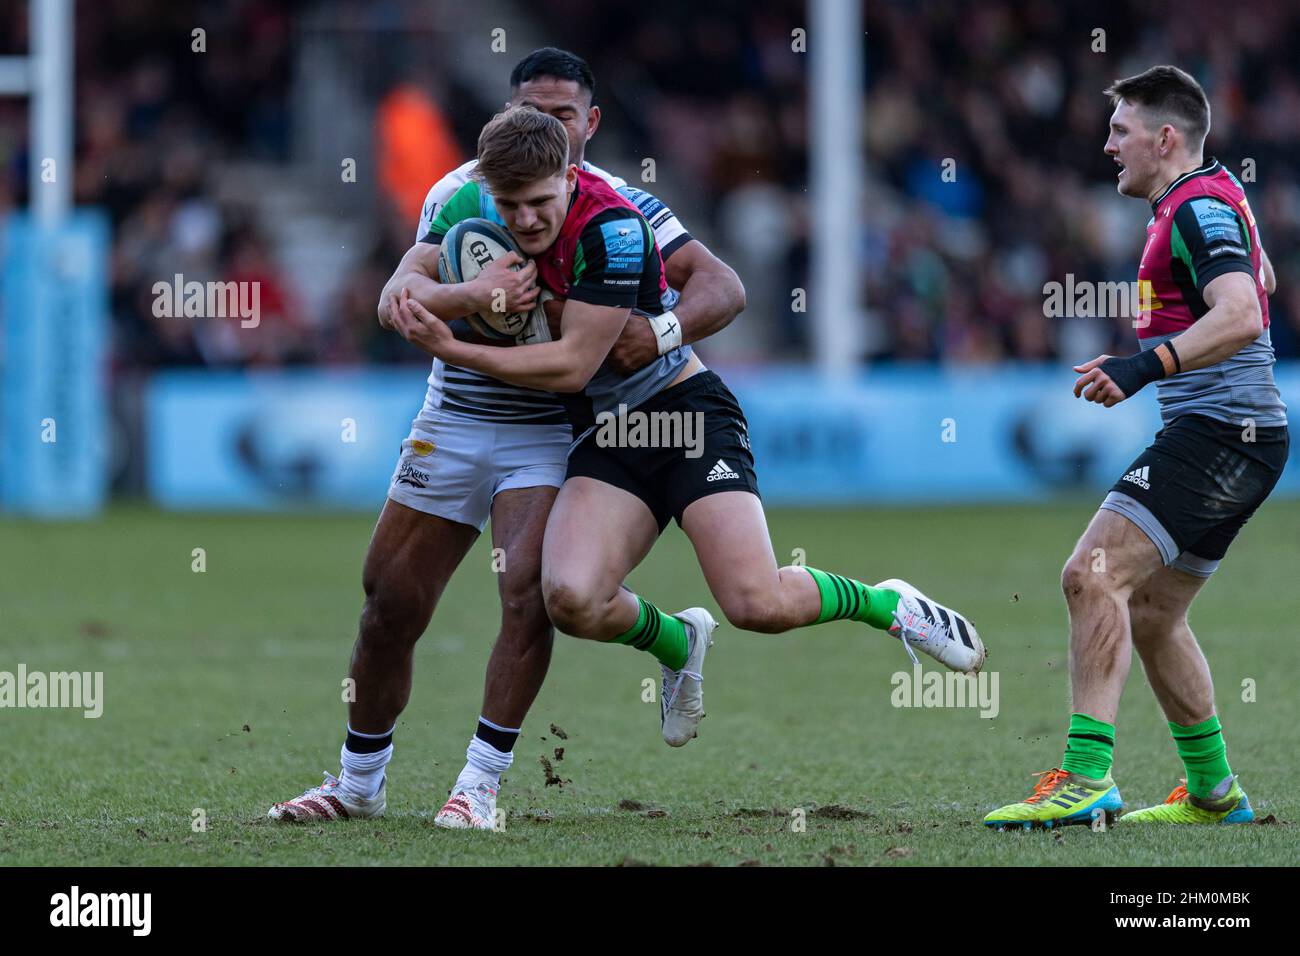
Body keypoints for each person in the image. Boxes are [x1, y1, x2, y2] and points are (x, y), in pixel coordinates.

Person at [389, 106, 987, 814]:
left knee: (755, 603)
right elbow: (401, 290)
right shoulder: (469, 205)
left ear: (570, 176)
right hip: (606, 439)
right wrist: (466, 295)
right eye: (510, 206)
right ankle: (676, 640)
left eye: (540, 203)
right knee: (571, 600)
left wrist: (452, 342)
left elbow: (573, 366)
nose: (523, 221)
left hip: (683, 418)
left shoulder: (610, 227)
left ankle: (885, 601)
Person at [267, 49, 745, 829]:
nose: (546, 127)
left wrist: (654, 335)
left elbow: (720, 286)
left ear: (588, 124)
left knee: (528, 598)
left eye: (563, 115)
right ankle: (358, 783)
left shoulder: (624, 210)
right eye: (531, 110)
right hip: (453, 416)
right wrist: (471, 294)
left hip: (552, 428)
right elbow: (397, 296)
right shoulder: (461, 192)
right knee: (389, 603)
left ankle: (479, 784)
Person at [983, 66, 1287, 830]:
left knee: (1090, 575)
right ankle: (1215, 793)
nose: (1108, 144)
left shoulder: (1195, 208)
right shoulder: (1209, 198)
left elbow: (1247, 309)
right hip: (1240, 436)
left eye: (1120, 131)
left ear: (1165, 138)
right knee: (1150, 611)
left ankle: (1085, 778)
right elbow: (1266, 277)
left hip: (1221, 434)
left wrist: (1142, 367)